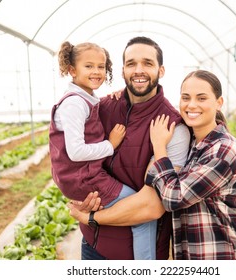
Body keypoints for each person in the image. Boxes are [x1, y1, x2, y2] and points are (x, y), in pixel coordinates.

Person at [69, 70, 236, 260]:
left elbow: (172, 198)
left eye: (201, 98)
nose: (192, 105)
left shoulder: (223, 151)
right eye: (186, 97)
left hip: (224, 255)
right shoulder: (194, 142)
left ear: (219, 103)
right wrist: (128, 93)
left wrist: (159, 147)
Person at [69, 36, 191, 260]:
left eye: (147, 63)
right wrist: (81, 195)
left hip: (139, 255)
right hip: (94, 247)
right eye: (131, 63)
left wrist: (92, 217)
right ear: (123, 70)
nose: (139, 70)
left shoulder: (173, 127)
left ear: (161, 70)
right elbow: (75, 161)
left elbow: (151, 206)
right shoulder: (102, 108)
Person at [49, 41, 159, 259]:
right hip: (85, 178)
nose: (96, 72)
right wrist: (111, 144)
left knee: (130, 211)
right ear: (72, 70)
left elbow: (93, 105)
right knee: (142, 213)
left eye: (101, 66)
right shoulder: (74, 104)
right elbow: (76, 152)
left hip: (82, 176)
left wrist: (117, 94)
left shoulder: (85, 98)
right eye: (88, 66)